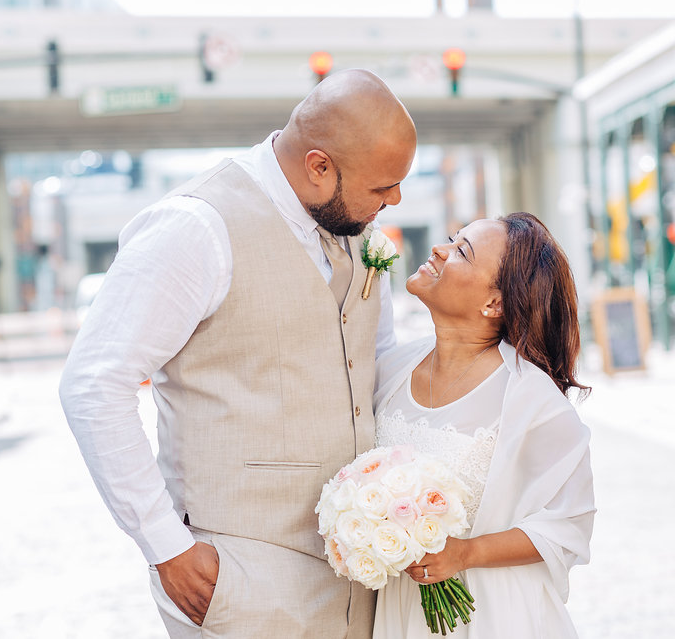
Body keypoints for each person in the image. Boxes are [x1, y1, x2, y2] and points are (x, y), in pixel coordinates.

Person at [59, 69, 417, 639]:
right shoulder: (195, 226)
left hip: (359, 587)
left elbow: (379, 366)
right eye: (381, 187)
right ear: (319, 166)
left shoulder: (358, 232)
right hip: (241, 582)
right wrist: (166, 547)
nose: (394, 200)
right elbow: (93, 384)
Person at [372, 212, 594, 638]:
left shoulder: (530, 398)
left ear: (494, 303)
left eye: (462, 252)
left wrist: (466, 553)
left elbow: (568, 525)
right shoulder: (392, 369)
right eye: (453, 239)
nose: (440, 249)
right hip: (399, 614)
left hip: (492, 616)